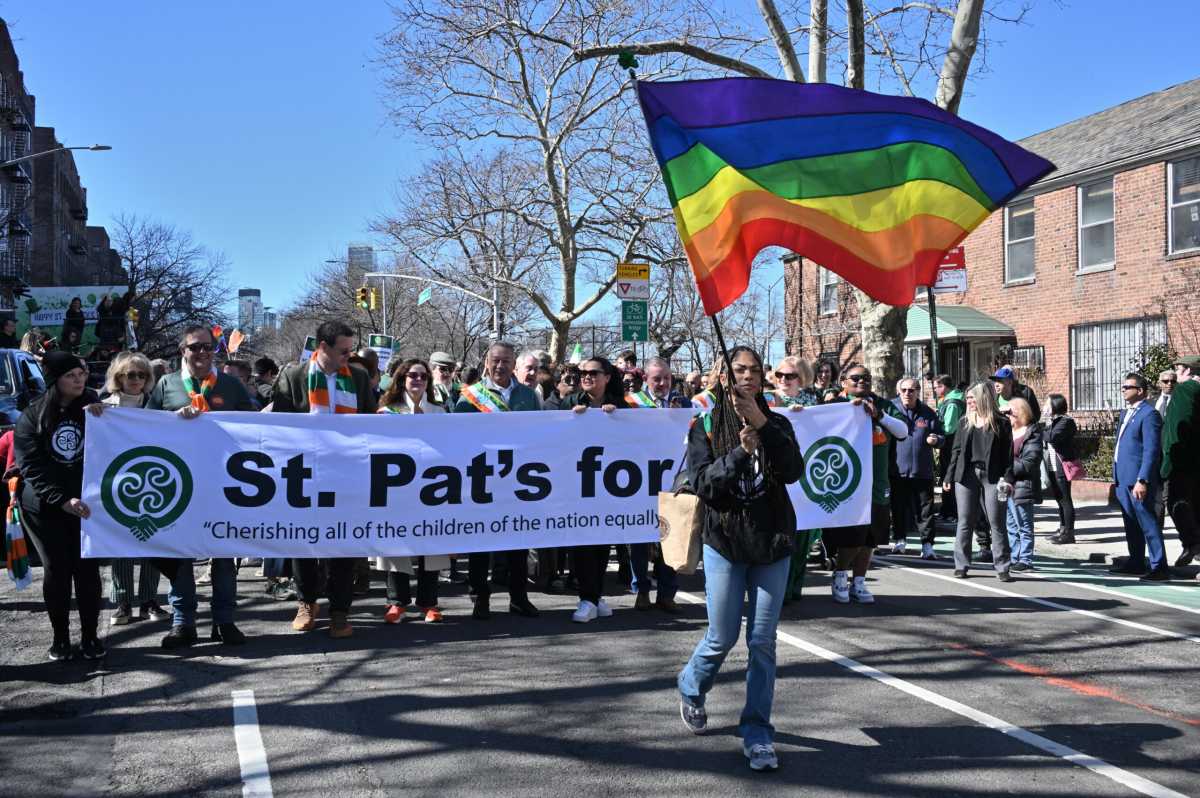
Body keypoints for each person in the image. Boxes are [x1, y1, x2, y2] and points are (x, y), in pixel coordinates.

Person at [677, 346, 802, 772]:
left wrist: (763, 427)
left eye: (753, 370)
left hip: (772, 545)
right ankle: (692, 686)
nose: (747, 376)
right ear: (724, 374)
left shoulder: (778, 422)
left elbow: (792, 470)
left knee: (762, 643)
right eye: (738, 370)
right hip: (726, 545)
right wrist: (738, 454)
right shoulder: (706, 424)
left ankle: (757, 732)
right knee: (722, 636)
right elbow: (704, 484)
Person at [143, 325, 258, 648]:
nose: (203, 353)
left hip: (224, 483)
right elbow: (145, 430)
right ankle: (183, 622)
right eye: (195, 348)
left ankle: (224, 621)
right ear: (184, 351)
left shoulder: (231, 386)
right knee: (180, 555)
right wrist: (172, 422)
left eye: (208, 348)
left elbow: (255, 430)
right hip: (179, 485)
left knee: (224, 554)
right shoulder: (166, 385)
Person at [271, 321, 377, 638]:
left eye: (351, 350)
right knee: (304, 542)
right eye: (344, 350)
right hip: (305, 474)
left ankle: (340, 611)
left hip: (346, 474)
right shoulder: (294, 376)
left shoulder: (357, 377)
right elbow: (281, 425)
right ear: (323, 347)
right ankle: (306, 602)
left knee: (343, 542)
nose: (350, 355)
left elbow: (371, 422)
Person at [14, 351, 103, 661]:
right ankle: (60, 638)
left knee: (88, 571)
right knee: (57, 570)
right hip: (45, 507)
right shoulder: (32, 415)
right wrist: (62, 500)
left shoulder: (95, 407)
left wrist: (106, 417)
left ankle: (91, 637)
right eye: (71, 376)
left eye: (82, 373)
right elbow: (31, 466)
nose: (79, 380)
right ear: (55, 380)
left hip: (87, 506)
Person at [455, 341, 541, 619]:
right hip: (484, 477)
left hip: (519, 478)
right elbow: (459, 437)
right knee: (482, 543)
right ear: (486, 363)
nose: (500, 366)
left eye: (506, 361)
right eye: (496, 360)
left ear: (514, 364)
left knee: (518, 540)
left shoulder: (528, 396)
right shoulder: (470, 396)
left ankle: (519, 597)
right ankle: (480, 596)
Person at [375, 358, 450, 621]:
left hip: (433, 486)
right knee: (398, 544)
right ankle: (397, 602)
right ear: (401, 379)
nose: (417, 380)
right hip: (398, 488)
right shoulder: (387, 412)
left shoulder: (439, 413)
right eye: (412, 375)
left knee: (431, 543)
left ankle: (429, 602)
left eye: (423, 376)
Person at [825, 365, 908, 603]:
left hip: (877, 482)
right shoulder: (834, 406)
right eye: (856, 378)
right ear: (843, 382)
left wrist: (879, 415)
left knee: (871, 538)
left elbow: (902, 432)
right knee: (852, 535)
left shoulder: (883, 406)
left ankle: (858, 583)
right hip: (847, 482)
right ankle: (840, 575)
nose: (862, 381)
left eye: (867, 378)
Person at [100, 352, 170, 625]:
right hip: (118, 483)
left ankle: (150, 600)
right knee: (121, 543)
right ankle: (123, 603)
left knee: (151, 539)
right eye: (131, 375)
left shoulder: (156, 408)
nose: (138, 380)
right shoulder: (104, 408)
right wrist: (95, 415)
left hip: (153, 481)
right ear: (119, 377)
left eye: (142, 375)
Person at [559, 357, 629, 622]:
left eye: (593, 372)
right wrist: (569, 418)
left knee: (602, 541)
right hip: (577, 484)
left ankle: (596, 595)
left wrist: (618, 418)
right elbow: (547, 428)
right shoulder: (570, 402)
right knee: (582, 542)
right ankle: (586, 598)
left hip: (610, 485)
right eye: (582, 372)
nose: (586, 377)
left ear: (607, 377)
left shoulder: (621, 405)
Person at [944, 382, 1015, 581]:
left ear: (983, 397)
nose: (969, 401)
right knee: (965, 520)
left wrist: (1009, 479)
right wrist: (949, 476)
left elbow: (1008, 456)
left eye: (972, 397)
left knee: (997, 521)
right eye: (967, 398)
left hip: (993, 477)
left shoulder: (1001, 422)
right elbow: (956, 451)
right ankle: (961, 564)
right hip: (966, 476)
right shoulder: (964, 422)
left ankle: (1002, 567)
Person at [1111, 373, 1169, 580]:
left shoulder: (1149, 414)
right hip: (1122, 477)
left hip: (1137, 479)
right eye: (1123, 386)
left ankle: (1159, 565)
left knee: (1147, 522)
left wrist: (1143, 479)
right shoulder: (1125, 413)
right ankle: (1136, 561)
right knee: (1130, 522)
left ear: (1140, 391)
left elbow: (1151, 450)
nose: (1123, 389)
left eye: (1128, 386)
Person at [890, 377, 944, 560]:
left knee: (925, 511)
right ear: (899, 391)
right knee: (898, 508)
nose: (907, 393)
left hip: (922, 471)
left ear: (918, 392)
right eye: (904, 390)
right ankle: (899, 541)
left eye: (911, 390)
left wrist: (936, 440)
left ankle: (927, 545)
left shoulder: (928, 413)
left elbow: (942, 436)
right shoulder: (892, 410)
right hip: (897, 470)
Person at [1160, 355, 1200, 568]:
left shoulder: (1185, 391)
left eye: (1177, 370)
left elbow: (1177, 429)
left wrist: (1168, 460)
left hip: (1181, 462)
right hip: (1194, 461)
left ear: (1186, 370)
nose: (1174, 376)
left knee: (1175, 501)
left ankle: (1192, 543)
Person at [1004, 398, 1043, 572]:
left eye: (1010, 411)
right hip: (1006, 485)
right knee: (1010, 524)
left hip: (1022, 485)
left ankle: (1025, 559)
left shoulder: (1031, 432)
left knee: (1024, 524)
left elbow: (1030, 461)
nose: (1007, 414)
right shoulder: (1006, 432)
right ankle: (1014, 556)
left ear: (1020, 412)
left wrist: (1007, 469)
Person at [1043, 394, 1079, 544]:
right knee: (1058, 498)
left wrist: (1043, 429)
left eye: (1047, 404)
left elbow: (1052, 437)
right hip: (1051, 465)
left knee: (1065, 499)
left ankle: (1069, 533)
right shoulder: (1053, 421)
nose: (1044, 407)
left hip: (1062, 465)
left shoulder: (1066, 421)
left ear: (1055, 405)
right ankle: (1062, 528)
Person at [934, 376, 966, 522]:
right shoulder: (949, 400)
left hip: (951, 444)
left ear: (944, 386)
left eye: (936, 387)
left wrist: (935, 427)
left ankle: (952, 512)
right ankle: (946, 510)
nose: (935, 390)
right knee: (948, 475)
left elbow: (949, 427)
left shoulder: (952, 403)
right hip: (951, 445)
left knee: (950, 477)